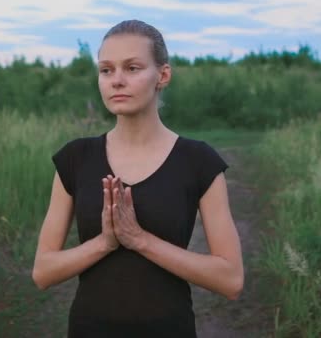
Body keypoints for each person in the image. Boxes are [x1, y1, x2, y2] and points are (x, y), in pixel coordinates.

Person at [32, 19, 244, 338]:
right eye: (106, 70)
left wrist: (140, 240)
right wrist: (105, 242)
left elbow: (230, 280)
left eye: (132, 68)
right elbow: (43, 272)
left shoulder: (198, 161)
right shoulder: (75, 158)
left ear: (163, 75)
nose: (117, 80)